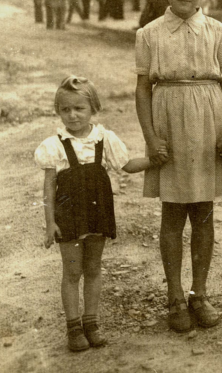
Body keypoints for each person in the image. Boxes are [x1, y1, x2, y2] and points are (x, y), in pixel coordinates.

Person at [135, 0, 222, 333]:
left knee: (204, 214)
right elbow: (143, 89)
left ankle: (201, 293)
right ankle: (175, 297)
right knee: (173, 214)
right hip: (169, 128)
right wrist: (150, 137)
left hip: (208, 125)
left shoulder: (218, 33)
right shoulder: (149, 35)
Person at [35, 75, 165, 352]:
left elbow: (127, 165)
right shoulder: (55, 145)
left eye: (79, 108)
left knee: (93, 269)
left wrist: (155, 161)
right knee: (72, 272)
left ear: (93, 108)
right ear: (58, 111)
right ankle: (73, 327)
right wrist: (50, 223)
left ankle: (91, 323)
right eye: (65, 109)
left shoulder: (105, 139)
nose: (72, 115)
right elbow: (48, 187)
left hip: (97, 213)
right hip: (68, 216)